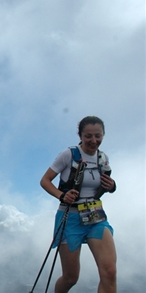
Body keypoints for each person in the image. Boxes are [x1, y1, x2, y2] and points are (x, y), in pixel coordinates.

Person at [40, 116, 117, 293]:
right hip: (70, 217)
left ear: (103, 135)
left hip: (96, 216)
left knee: (110, 273)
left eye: (98, 136)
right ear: (80, 135)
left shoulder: (102, 158)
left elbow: (105, 184)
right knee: (70, 277)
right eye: (88, 136)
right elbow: (45, 181)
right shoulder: (68, 154)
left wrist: (112, 186)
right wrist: (62, 195)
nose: (93, 140)